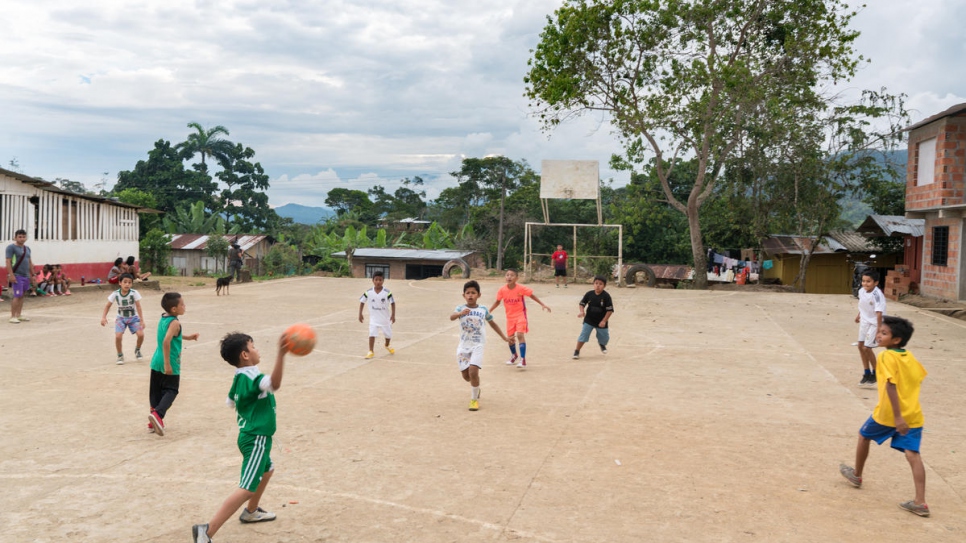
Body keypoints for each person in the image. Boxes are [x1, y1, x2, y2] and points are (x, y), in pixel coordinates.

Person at [192, 332, 290, 543]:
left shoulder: (240, 375)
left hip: (250, 436)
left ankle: (251, 511)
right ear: (245, 354)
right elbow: (274, 383)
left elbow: (230, 402)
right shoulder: (253, 378)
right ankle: (206, 532)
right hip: (256, 439)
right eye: (253, 346)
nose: (257, 349)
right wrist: (281, 355)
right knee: (246, 488)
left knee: (268, 469)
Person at [840, 316, 929, 517]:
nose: (878, 335)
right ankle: (920, 502)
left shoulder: (886, 357)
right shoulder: (909, 357)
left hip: (888, 414)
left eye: (883, 333)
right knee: (913, 455)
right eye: (879, 331)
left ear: (896, 340)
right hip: (913, 415)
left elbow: (890, 385)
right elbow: (919, 377)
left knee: (864, 436)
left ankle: (857, 475)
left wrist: (897, 417)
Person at [450, 280, 510, 411]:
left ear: (479, 295)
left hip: (478, 344)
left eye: (473, 293)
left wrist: (504, 337)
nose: (470, 295)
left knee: (473, 371)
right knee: (466, 376)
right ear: (463, 295)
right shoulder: (460, 308)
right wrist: (460, 314)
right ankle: (476, 387)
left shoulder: (482, 310)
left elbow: (492, 323)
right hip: (463, 346)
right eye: (468, 293)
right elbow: (452, 317)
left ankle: (473, 400)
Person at [148, 292, 199, 436]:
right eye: (182, 304)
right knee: (171, 390)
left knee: (156, 391)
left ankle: (153, 419)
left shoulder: (164, 318)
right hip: (168, 361)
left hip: (156, 360)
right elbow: (166, 341)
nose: (184, 306)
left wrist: (188, 337)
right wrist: (168, 364)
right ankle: (158, 415)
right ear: (174, 309)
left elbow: (171, 334)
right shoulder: (175, 322)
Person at [489, 269, 551, 369]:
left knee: (520, 335)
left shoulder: (521, 288)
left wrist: (543, 304)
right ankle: (514, 355)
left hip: (520, 315)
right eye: (507, 275)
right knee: (510, 338)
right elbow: (497, 302)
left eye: (512, 275)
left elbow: (532, 296)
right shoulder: (502, 290)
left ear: (517, 278)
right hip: (509, 317)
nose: (509, 277)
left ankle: (523, 359)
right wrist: (488, 311)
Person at [100, 273, 146, 364]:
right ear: (120, 283)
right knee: (118, 336)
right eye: (125, 282)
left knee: (141, 335)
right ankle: (120, 355)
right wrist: (103, 317)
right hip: (121, 318)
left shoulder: (134, 293)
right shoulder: (115, 294)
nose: (127, 284)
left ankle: (137, 349)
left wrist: (141, 319)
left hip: (133, 318)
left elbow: (139, 307)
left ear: (132, 284)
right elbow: (107, 306)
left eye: (129, 282)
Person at [855, 270, 886, 388]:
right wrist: (859, 315)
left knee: (867, 348)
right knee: (860, 346)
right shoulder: (861, 291)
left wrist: (879, 330)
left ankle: (877, 373)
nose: (865, 284)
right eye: (863, 281)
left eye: (868, 281)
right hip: (865, 320)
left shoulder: (878, 295)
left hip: (875, 323)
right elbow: (863, 305)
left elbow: (879, 314)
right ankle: (867, 373)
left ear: (876, 283)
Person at [572, 275, 614, 359]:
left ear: (604, 286)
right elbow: (582, 304)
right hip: (589, 320)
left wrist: (604, 321)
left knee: (604, 338)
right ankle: (577, 351)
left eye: (600, 284)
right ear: (593, 284)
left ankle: (602, 344)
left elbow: (609, 310)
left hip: (601, 321)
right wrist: (581, 311)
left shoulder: (606, 296)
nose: (598, 285)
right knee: (583, 335)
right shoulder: (589, 294)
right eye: (596, 283)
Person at [359, 270, 395, 359]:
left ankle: (387, 345)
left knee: (388, 335)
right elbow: (362, 301)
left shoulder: (387, 292)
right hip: (374, 318)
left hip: (385, 318)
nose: (378, 282)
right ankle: (371, 351)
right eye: (376, 280)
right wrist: (360, 313)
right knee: (372, 333)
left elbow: (393, 303)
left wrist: (393, 315)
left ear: (383, 281)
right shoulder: (368, 292)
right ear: (373, 280)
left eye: (380, 280)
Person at [6, 229, 35, 323]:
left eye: (23, 237)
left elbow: (30, 262)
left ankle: (19, 315)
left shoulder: (28, 249)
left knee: (22, 296)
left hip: (26, 275)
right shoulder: (11, 248)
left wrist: (33, 274)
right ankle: (12, 316)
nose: (22, 239)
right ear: (15, 237)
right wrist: (11, 275)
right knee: (17, 295)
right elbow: (8, 261)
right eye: (20, 237)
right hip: (17, 275)